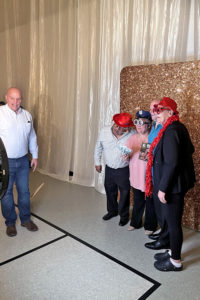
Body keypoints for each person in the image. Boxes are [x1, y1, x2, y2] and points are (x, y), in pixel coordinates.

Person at [145, 97, 195, 271]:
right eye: (156, 110)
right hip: (174, 184)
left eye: (160, 110)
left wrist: (163, 188)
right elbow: (190, 149)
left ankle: (175, 261)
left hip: (172, 187)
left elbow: (172, 162)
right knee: (170, 221)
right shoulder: (175, 127)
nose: (156, 113)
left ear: (170, 112)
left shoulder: (172, 130)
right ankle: (170, 249)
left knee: (173, 224)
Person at [0, 87, 39, 237]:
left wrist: (34, 156)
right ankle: (10, 223)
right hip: (5, 162)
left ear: (21, 99)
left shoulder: (27, 115)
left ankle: (25, 219)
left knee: (24, 191)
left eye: (18, 99)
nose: (15, 102)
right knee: (6, 192)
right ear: (6, 97)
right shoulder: (1, 113)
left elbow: (32, 137)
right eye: (12, 98)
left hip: (23, 161)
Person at [94, 112, 135, 226]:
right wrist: (97, 162)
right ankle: (112, 211)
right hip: (109, 169)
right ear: (115, 125)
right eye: (118, 127)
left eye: (125, 129)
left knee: (124, 193)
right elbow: (98, 147)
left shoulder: (133, 133)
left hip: (124, 169)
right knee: (110, 190)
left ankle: (124, 216)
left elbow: (139, 150)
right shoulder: (104, 131)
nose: (118, 129)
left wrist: (130, 154)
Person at [125, 110, 157, 234]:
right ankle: (135, 223)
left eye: (142, 123)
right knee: (138, 201)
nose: (138, 125)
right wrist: (125, 156)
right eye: (136, 122)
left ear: (149, 125)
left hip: (149, 178)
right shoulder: (132, 138)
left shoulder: (153, 137)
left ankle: (150, 226)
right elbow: (127, 157)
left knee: (150, 203)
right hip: (136, 176)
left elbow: (150, 158)